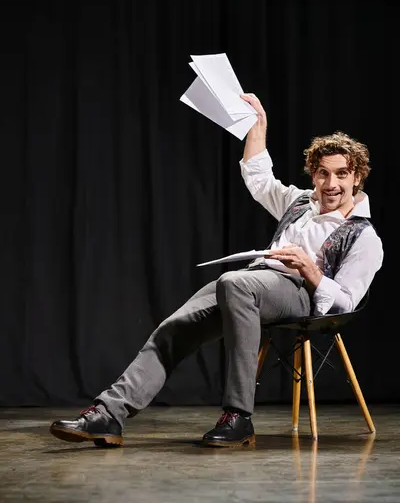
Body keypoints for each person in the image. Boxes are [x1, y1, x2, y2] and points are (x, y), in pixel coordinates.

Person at [49, 93, 383, 448]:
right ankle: (108, 415)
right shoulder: (301, 202)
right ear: (313, 174)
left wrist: (308, 268)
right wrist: (258, 126)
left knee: (234, 283)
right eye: (322, 174)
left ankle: (239, 417)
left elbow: (346, 302)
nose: (331, 184)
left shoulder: (364, 236)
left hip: (300, 293)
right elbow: (258, 177)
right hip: (255, 282)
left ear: (357, 176)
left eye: (341, 175)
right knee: (173, 330)